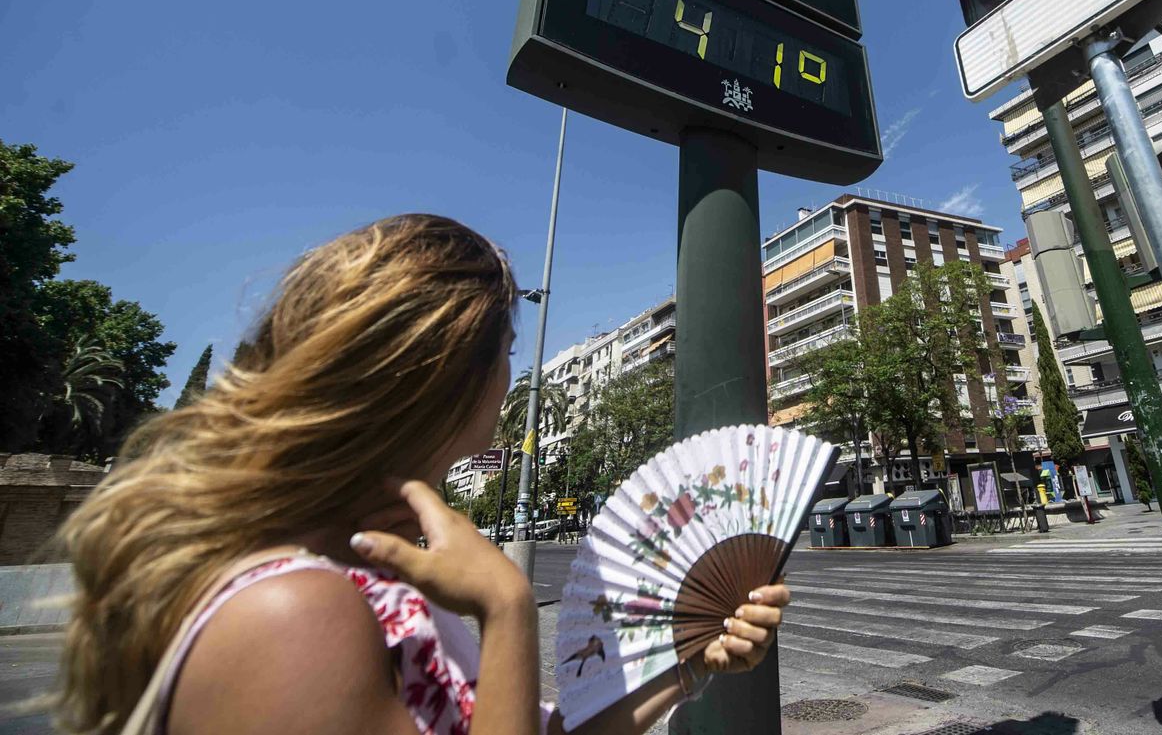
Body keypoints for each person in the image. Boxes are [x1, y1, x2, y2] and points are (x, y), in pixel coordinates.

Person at [51, 214, 788, 735]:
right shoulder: (294, 615)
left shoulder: (371, 576)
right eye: (505, 349)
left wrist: (687, 665)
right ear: (447, 377)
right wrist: (506, 607)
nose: (512, 377)